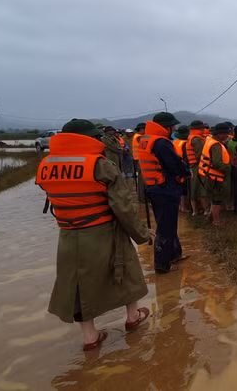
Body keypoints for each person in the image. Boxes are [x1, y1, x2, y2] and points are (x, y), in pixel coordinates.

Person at [36, 118, 152, 351]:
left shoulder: (46, 164)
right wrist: (142, 234)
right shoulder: (100, 164)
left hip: (68, 234)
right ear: (87, 138)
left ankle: (90, 337)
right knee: (126, 269)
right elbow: (124, 207)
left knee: (77, 283)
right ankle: (132, 317)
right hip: (104, 229)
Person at [135, 112, 190, 274]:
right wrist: (186, 171)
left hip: (155, 187)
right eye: (171, 126)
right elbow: (174, 164)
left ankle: (174, 254)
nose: (173, 129)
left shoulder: (145, 139)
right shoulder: (160, 143)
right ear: (164, 127)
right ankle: (162, 264)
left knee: (169, 224)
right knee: (165, 227)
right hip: (164, 189)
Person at [199, 122, 232, 226]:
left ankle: (210, 218)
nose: (227, 135)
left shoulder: (210, 141)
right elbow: (217, 163)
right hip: (214, 177)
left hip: (208, 175)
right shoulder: (216, 145)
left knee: (214, 199)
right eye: (226, 133)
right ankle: (216, 221)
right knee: (217, 200)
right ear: (220, 134)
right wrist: (228, 168)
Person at [185, 120, 207, 216]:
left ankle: (195, 211)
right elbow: (200, 155)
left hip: (193, 166)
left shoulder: (191, 137)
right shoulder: (197, 139)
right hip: (198, 167)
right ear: (199, 129)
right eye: (203, 128)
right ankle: (205, 210)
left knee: (193, 188)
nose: (204, 130)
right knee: (201, 189)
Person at [172, 125, 190, 213]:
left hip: (175, 166)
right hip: (183, 166)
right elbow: (186, 157)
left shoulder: (175, 142)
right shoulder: (185, 144)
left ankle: (180, 206)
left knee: (178, 187)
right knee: (184, 189)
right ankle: (184, 207)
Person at [132, 123, 146, 202]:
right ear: (141, 129)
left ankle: (142, 197)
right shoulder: (138, 137)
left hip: (138, 159)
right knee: (142, 179)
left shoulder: (136, 136)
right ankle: (143, 198)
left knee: (141, 179)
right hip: (140, 159)